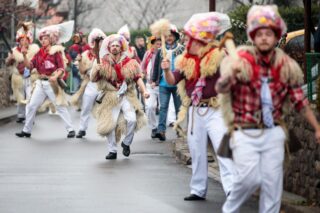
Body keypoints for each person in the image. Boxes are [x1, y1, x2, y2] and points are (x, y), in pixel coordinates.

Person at [215, 5, 320, 213]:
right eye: (260, 34)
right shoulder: (240, 61)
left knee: (273, 186)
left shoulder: (286, 65)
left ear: (276, 37)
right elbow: (221, 88)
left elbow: (300, 100)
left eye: (269, 34)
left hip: (274, 132)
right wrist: (231, 74)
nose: (264, 38)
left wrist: (316, 127)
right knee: (249, 179)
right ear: (253, 37)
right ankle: (229, 210)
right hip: (245, 131)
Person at [160, 12, 234, 201]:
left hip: (215, 109)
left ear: (199, 39)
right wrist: (166, 69)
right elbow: (171, 80)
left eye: (188, 38)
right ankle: (198, 189)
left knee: (223, 148)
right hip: (194, 111)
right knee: (196, 151)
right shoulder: (185, 60)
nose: (185, 41)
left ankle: (232, 189)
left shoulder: (218, 55)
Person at [91, 34, 149, 160]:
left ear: (121, 48)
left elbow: (138, 78)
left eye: (117, 45)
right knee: (109, 125)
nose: (115, 48)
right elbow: (94, 79)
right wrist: (97, 69)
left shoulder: (130, 62)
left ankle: (126, 143)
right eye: (112, 46)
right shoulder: (102, 62)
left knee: (132, 120)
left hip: (126, 96)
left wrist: (144, 91)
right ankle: (112, 150)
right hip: (110, 97)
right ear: (109, 48)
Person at [15, 21, 76, 138]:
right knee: (32, 105)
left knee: (60, 106)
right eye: (42, 38)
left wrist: (55, 76)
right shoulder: (38, 53)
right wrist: (23, 55)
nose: (43, 40)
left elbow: (61, 68)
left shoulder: (56, 52)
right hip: (40, 83)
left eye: (46, 38)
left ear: (52, 39)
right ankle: (26, 130)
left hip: (52, 84)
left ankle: (71, 129)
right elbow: (29, 66)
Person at [72, 28, 107, 138]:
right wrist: (80, 61)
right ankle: (82, 129)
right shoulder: (85, 54)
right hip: (91, 84)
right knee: (86, 106)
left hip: (104, 84)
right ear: (92, 42)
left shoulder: (106, 54)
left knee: (105, 108)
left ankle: (106, 128)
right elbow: (82, 71)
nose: (99, 43)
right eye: (97, 41)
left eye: (101, 41)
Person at [152, 24, 184, 141]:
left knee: (179, 108)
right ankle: (161, 131)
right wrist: (153, 80)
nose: (169, 38)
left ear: (175, 36)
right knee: (163, 107)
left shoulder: (182, 49)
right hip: (163, 84)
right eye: (167, 36)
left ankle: (180, 131)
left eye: (171, 35)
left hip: (178, 83)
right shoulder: (161, 50)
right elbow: (156, 66)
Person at [5, 22, 39, 123]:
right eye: (21, 40)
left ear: (29, 41)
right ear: (19, 41)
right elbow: (7, 63)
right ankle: (20, 115)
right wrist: (10, 59)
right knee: (20, 97)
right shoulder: (14, 51)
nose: (23, 41)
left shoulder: (34, 50)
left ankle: (29, 117)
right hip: (18, 77)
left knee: (30, 97)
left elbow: (36, 62)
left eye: (25, 40)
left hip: (30, 77)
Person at [141, 36, 161, 138]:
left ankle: (162, 130)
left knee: (163, 108)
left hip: (162, 85)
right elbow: (143, 66)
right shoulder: (148, 54)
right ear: (152, 44)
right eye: (156, 44)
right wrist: (142, 75)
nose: (158, 45)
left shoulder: (164, 54)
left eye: (160, 43)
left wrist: (157, 81)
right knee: (149, 107)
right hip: (150, 85)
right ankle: (154, 128)